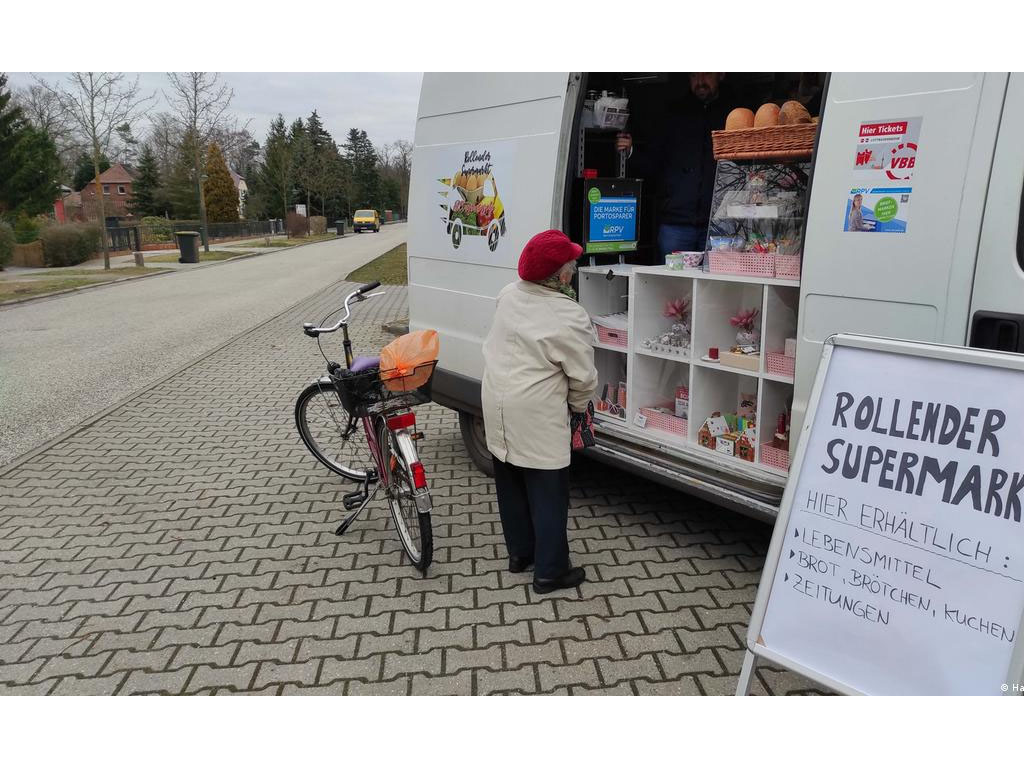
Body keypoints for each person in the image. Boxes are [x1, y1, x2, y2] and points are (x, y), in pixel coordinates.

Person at [481, 230, 598, 594]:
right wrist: (579, 410)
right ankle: (550, 571)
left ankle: (520, 554)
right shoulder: (568, 314)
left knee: (510, 478)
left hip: (497, 398)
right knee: (548, 489)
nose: (575, 269)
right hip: (536, 409)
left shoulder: (507, 293)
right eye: (572, 265)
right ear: (561, 276)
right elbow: (583, 377)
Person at [616, 73, 734, 259]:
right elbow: (654, 162)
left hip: (719, 223)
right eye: (694, 75)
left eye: (707, 73)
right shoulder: (674, 114)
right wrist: (632, 152)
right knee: (672, 284)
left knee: (714, 286)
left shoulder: (732, 113)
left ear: (721, 74)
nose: (700, 81)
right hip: (676, 222)